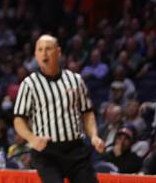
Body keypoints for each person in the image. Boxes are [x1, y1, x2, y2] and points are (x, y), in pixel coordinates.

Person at [13, 35, 104, 183]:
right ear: (36, 55)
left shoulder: (75, 80)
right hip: (46, 152)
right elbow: (18, 119)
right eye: (40, 50)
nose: (44, 53)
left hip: (75, 149)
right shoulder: (29, 84)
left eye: (48, 49)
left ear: (59, 52)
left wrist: (94, 136)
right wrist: (32, 139)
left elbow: (87, 113)